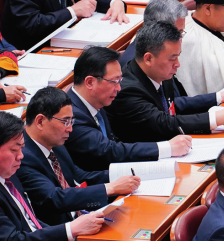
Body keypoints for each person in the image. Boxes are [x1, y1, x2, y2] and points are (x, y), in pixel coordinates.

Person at [0, 111, 106, 241]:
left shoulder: (2, 169)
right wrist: (70, 230)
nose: (21, 156)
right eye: (14, 150)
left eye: (22, 148)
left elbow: (31, 222)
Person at [16, 87, 140, 226]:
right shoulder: (22, 157)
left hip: (85, 217)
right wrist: (111, 188)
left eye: (71, 121)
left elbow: (78, 176)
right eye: (65, 122)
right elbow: (54, 198)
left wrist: (124, 174)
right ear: (40, 121)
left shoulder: (54, 141)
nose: (70, 129)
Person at [106, 22, 224, 141]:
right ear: (148, 59)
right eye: (172, 59)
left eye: (178, 56)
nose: (178, 64)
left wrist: (219, 97)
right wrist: (214, 119)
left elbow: (171, 105)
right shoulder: (127, 91)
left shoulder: (159, 73)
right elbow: (163, 122)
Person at [65, 46, 193, 171]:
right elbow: (109, 150)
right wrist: (167, 148)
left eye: (120, 81)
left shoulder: (96, 102)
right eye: (114, 82)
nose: (119, 88)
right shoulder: (72, 116)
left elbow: (116, 144)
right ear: (90, 82)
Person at [118, 0, 189, 66]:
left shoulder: (159, 50)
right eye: (177, 33)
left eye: (181, 32)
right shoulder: (135, 66)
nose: (180, 39)